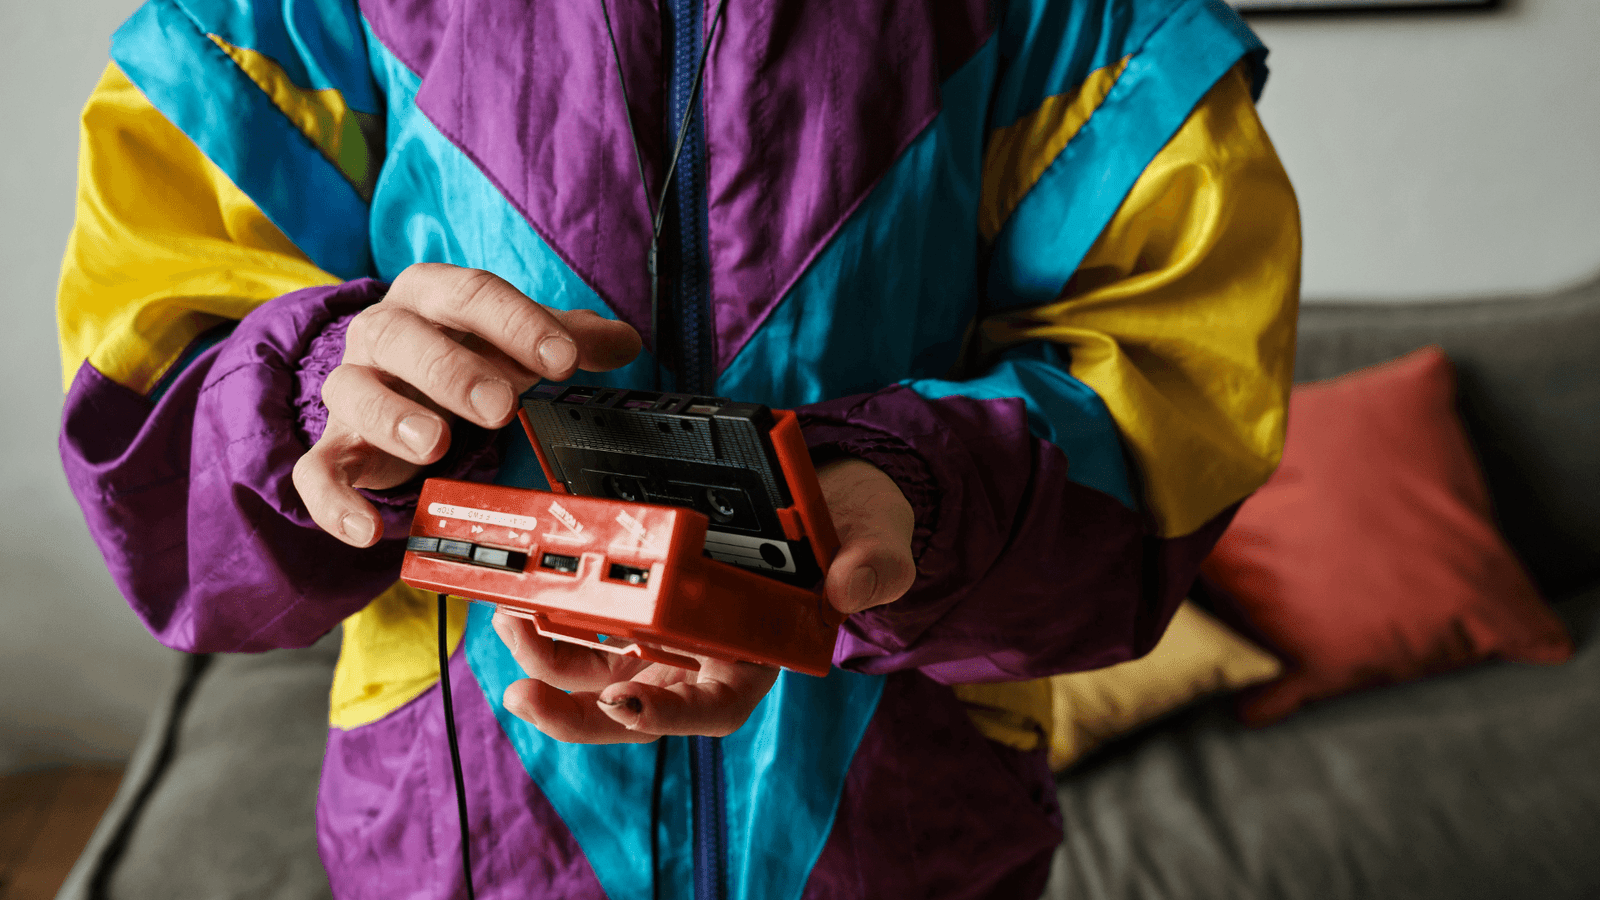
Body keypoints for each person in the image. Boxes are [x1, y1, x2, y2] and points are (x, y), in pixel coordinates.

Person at [57, 0, 1300, 895]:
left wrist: (903, 498)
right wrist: (321, 393)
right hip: (460, 848)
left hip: (905, 840)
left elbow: (1171, 398)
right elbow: (150, 432)